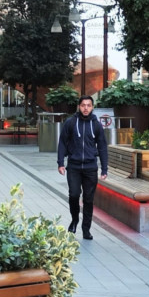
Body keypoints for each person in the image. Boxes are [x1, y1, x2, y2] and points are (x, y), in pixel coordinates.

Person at [57, 95, 108, 240]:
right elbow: (62, 143)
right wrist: (60, 163)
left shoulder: (96, 125)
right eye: (83, 105)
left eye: (89, 105)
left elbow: (102, 147)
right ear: (79, 107)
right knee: (73, 195)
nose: (86, 108)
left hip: (91, 167)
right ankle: (74, 220)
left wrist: (104, 169)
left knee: (88, 199)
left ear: (92, 107)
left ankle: (86, 229)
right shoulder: (71, 122)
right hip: (73, 166)